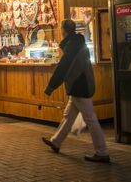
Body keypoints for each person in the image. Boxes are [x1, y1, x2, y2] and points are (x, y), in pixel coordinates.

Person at [42, 19, 110, 163]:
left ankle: (102, 151)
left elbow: (63, 67)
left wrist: (51, 86)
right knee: (69, 116)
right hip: (80, 84)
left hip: (79, 86)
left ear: (63, 30)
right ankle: (56, 141)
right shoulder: (77, 43)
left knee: (90, 119)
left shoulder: (72, 46)